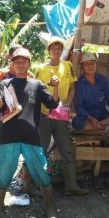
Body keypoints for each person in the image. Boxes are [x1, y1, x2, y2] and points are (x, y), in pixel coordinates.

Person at [0, 48, 60, 218]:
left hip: (31, 136)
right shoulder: (5, 83)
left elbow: (53, 104)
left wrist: (56, 87)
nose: (21, 64)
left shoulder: (37, 84)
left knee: (41, 170)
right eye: (17, 61)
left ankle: (50, 206)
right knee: (3, 172)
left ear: (29, 63)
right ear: (12, 65)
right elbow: (0, 108)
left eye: (24, 61)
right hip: (8, 136)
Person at [35, 36, 89, 196]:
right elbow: (36, 91)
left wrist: (68, 103)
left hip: (60, 115)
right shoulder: (40, 68)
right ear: (48, 51)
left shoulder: (68, 65)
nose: (56, 50)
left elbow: (73, 87)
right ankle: (39, 186)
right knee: (41, 151)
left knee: (66, 150)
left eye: (59, 48)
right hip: (44, 115)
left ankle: (71, 186)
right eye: (53, 48)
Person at [72, 52, 109, 131]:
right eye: (86, 64)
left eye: (92, 63)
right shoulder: (79, 83)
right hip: (88, 117)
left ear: (96, 64)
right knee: (76, 122)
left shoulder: (103, 79)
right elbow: (79, 107)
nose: (90, 66)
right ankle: (105, 127)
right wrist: (91, 118)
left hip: (104, 115)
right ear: (82, 67)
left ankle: (99, 126)